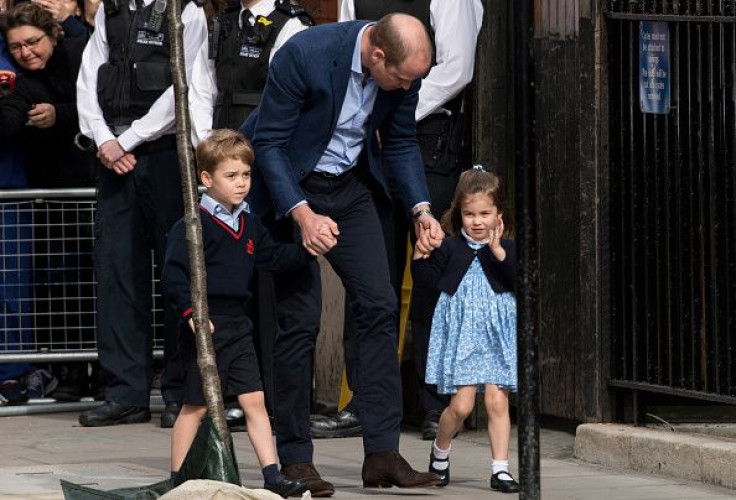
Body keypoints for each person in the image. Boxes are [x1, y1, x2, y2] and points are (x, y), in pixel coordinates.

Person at [240, 12, 444, 496]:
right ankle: (294, 457)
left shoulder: (403, 70)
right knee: (300, 320)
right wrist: (301, 215)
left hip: (350, 187)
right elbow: (267, 144)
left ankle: (382, 454)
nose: (408, 86)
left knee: (378, 304)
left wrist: (421, 209)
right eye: (403, 78)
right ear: (377, 55)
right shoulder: (306, 54)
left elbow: (399, 140)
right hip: (289, 187)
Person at [319, 0, 484, 442]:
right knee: (370, 278)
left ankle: (436, 403)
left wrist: (393, 112)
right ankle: (361, 401)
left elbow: (456, 70)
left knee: (433, 280)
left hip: (428, 145)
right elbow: (350, 50)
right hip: (370, 144)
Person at [75, 0, 207, 427]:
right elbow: (88, 77)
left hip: (165, 154)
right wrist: (102, 140)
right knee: (117, 276)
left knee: (176, 275)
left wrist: (128, 138)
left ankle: (176, 394)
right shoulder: (109, 10)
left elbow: (183, 85)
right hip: (112, 156)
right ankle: (125, 392)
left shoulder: (186, 9)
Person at [162, 130, 310, 498]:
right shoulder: (192, 225)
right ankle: (178, 477)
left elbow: (270, 257)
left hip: (238, 325)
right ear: (206, 179)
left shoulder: (248, 222)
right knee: (195, 406)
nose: (241, 183)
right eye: (231, 176)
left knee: (254, 400)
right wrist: (192, 312)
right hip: (206, 324)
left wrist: (309, 249)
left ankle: (272, 474)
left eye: (246, 175)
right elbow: (173, 275)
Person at [188, 0, 312, 432]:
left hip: (263, 152)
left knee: (265, 278)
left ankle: (269, 394)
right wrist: (210, 144)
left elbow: (288, 96)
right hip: (222, 152)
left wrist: (245, 159)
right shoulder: (223, 23)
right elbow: (203, 85)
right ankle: (230, 392)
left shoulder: (290, 24)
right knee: (231, 276)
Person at [411, 166, 519, 493]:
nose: (477, 221)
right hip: (462, 338)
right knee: (461, 407)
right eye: (469, 214)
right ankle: (440, 453)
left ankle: (500, 469)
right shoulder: (449, 247)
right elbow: (427, 284)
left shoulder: (508, 250)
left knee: (498, 403)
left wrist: (499, 251)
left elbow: (522, 281)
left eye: (485, 213)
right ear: (459, 214)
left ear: (499, 214)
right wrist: (419, 256)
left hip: (496, 335)